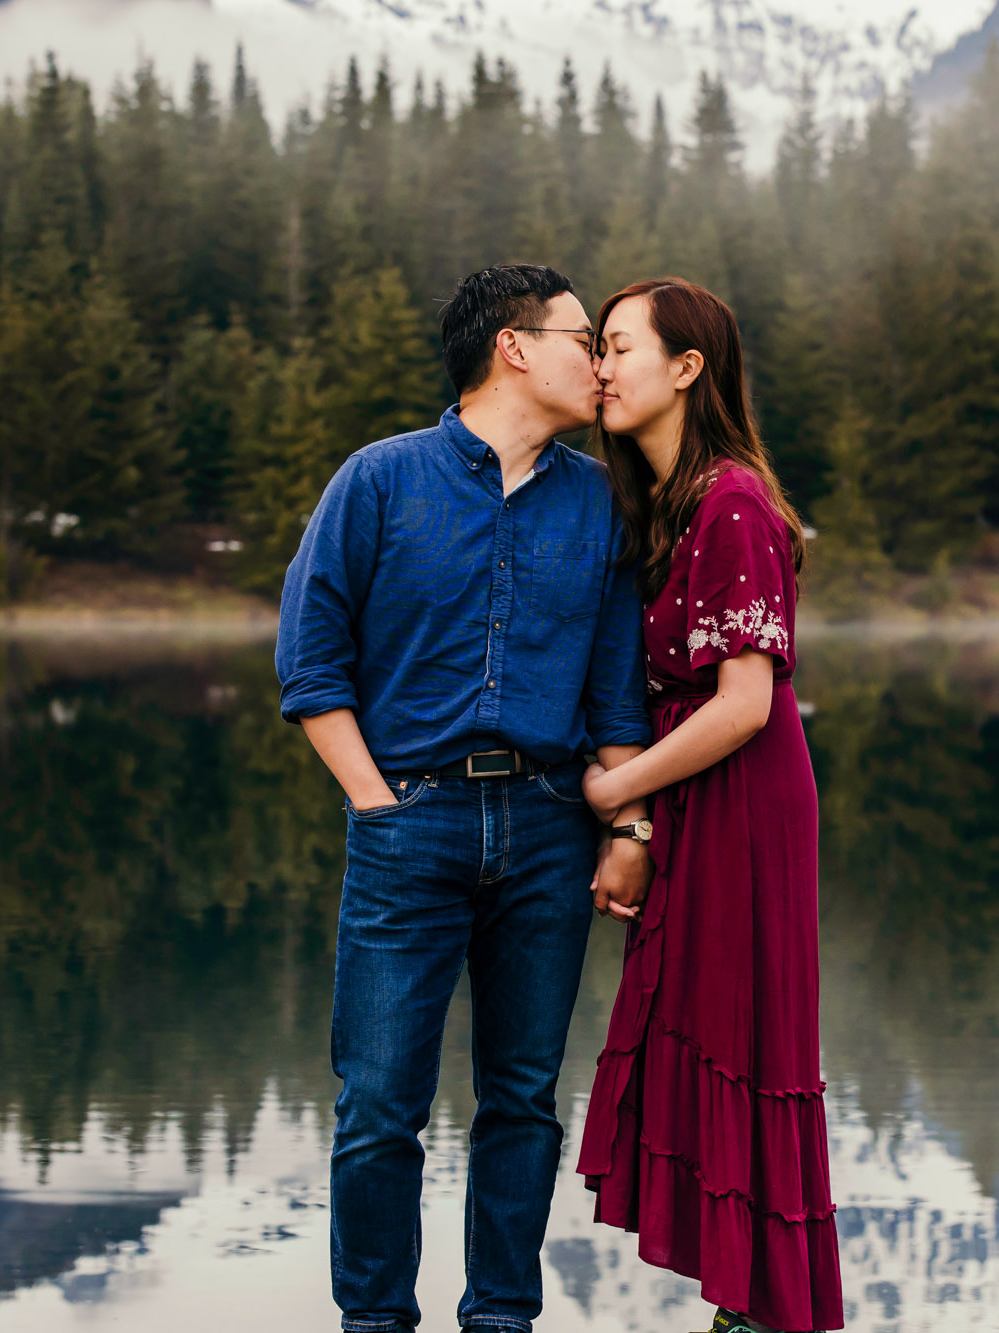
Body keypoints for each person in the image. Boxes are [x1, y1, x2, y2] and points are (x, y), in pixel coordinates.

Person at [275, 263, 656, 1333]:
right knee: (378, 1108)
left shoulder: (600, 502)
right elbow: (309, 666)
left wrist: (627, 825)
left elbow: (614, 691)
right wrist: (376, 804)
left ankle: (501, 1320)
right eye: (585, 338)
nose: (600, 361)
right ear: (513, 347)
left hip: (547, 828)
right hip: (410, 824)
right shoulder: (379, 480)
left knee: (523, 1102)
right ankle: (374, 1323)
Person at [575, 278, 844, 1333]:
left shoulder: (729, 501)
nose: (599, 366)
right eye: (591, 346)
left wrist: (612, 791)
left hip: (739, 796)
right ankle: (748, 1302)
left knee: (743, 1035)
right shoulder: (662, 504)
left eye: (618, 346)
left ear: (686, 368)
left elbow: (742, 704)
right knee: (697, 1026)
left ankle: (767, 1310)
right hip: (695, 797)